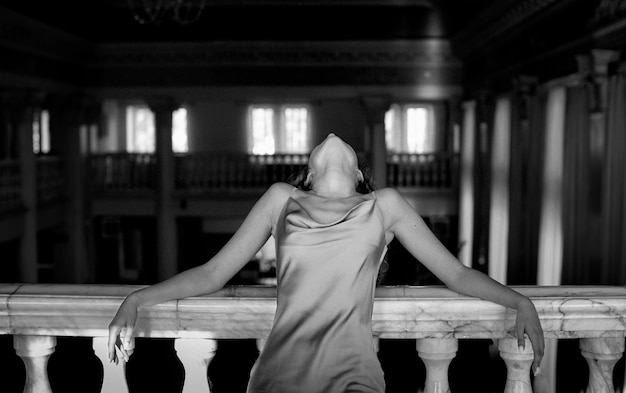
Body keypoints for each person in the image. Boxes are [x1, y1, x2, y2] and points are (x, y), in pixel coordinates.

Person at [108, 133, 544, 393]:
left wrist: (520, 301)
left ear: (358, 176)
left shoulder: (385, 205)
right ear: (310, 176)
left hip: (356, 374)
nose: (334, 136)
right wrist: (138, 297)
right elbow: (213, 272)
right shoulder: (282, 198)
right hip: (280, 373)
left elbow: (455, 273)